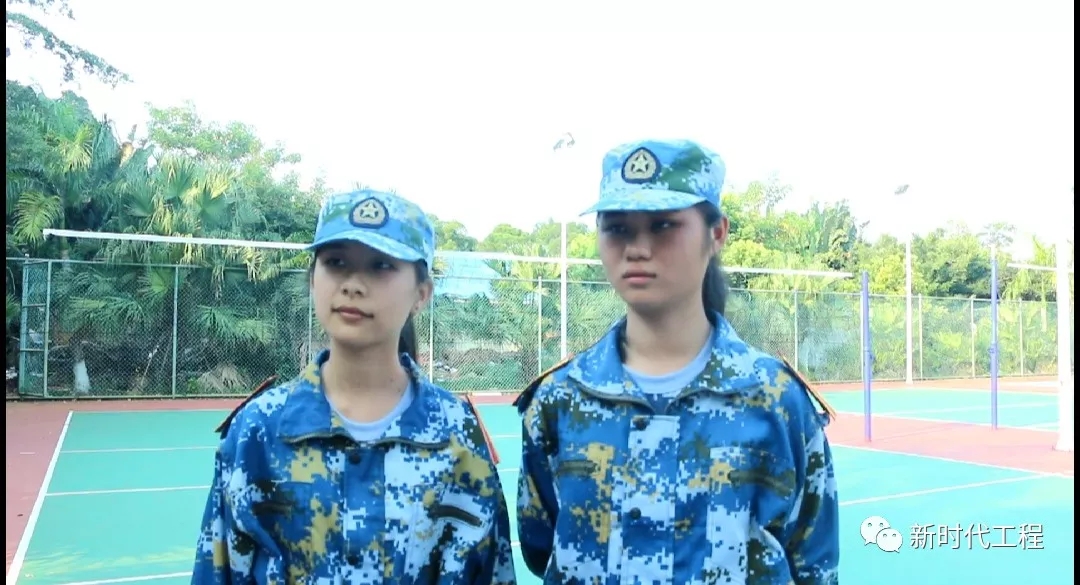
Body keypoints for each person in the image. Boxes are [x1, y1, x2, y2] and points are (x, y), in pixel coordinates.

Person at [514, 140, 840, 584]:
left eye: (663, 225)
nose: (637, 249)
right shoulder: (559, 401)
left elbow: (813, 563)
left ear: (717, 233)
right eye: (617, 228)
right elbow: (541, 547)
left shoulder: (775, 399)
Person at [191, 189, 516, 585]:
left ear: (421, 294)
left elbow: (491, 572)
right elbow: (217, 572)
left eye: (381, 265)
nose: (353, 284)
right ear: (313, 279)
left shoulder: (457, 435)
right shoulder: (258, 431)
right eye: (336, 262)